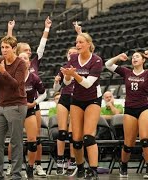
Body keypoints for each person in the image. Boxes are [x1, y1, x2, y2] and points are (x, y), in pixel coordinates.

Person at [6, 16, 52, 177]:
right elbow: (8, 46)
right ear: (18, 53)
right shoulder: (13, 65)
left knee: (35, 137)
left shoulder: (33, 64)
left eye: (29, 52)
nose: (29, 53)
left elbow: (42, 46)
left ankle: (36, 165)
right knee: (15, 138)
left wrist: (46, 28)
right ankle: (13, 166)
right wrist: (10, 30)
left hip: (32, 104)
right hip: (16, 106)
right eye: (26, 51)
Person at [60, 32, 103, 179]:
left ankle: (93, 169)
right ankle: (80, 168)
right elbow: (66, 83)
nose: (77, 45)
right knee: (76, 140)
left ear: (89, 44)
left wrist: (74, 75)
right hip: (76, 99)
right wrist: (67, 75)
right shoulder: (73, 58)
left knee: (88, 137)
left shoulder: (96, 61)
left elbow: (87, 84)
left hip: (93, 99)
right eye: (76, 42)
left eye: (81, 42)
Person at [0, 35, 27, 180]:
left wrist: (4, 72)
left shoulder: (20, 64)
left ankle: (16, 174)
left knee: (16, 142)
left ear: (14, 48)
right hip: (1, 106)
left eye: (7, 47)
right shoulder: (1, 62)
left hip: (16, 105)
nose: (4, 50)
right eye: (2, 47)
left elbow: (16, 84)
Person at [105, 52, 148, 178]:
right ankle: (123, 165)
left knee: (145, 139)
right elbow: (108, 64)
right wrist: (118, 57)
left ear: (143, 60)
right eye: (133, 57)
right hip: (130, 108)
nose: (134, 58)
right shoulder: (126, 72)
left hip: (144, 107)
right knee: (128, 143)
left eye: (137, 56)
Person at [52, 46, 78, 176]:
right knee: (61, 132)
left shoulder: (82, 67)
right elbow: (55, 88)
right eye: (70, 53)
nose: (72, 55)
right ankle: (60, 160)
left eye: (75, 53)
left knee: (73, 134)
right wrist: (56, 82)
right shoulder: (63, 68)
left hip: (77, 99)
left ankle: (73, 161)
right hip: (64, 97)